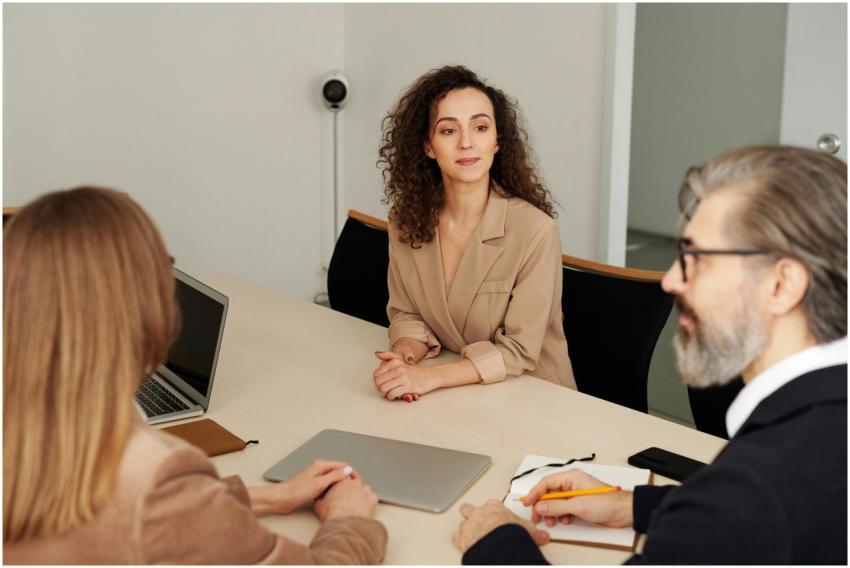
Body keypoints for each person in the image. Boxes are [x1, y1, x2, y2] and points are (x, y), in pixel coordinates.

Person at [452, 145, 848, 564]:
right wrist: (634, 506)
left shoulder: (753, 491)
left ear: (781, 284)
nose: (672, 280)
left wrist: (496, 540)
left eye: (697, 258)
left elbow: (744, 510)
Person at [3, 187, 388, 564]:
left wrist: (271, 496)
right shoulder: (157, 477)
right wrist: (347, 520)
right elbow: (157, 506)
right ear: (147, 305)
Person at [372, 65, 576, 402]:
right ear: (427, 146)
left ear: (497, 142)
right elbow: (407, 313)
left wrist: (428, 378)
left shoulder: (536, 231)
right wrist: (404, 359)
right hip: (460, 397)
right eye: (449, 131)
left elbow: (520, 351)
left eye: (480, 127)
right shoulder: (405, 221)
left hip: (533, 396)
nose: (467, 143)